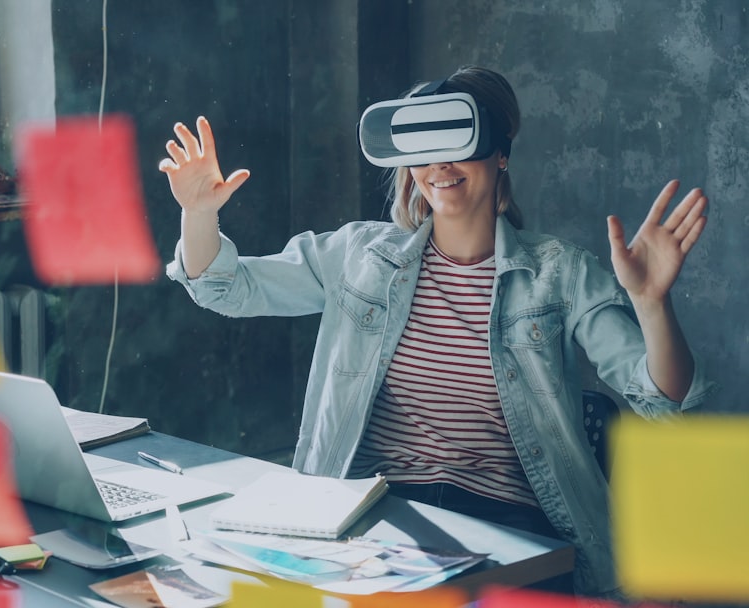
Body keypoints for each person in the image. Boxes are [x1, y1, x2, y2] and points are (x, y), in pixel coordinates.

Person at [158, 65, 716, 597]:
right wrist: (198, 214)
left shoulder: (561, 275)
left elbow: (664, 401)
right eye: (424, 148)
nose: (440, 165)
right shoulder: (359, 256)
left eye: (459, 143)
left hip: (508, 530)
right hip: (370, 519)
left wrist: (650, 304)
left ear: (500, 154)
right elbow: (225, 287)